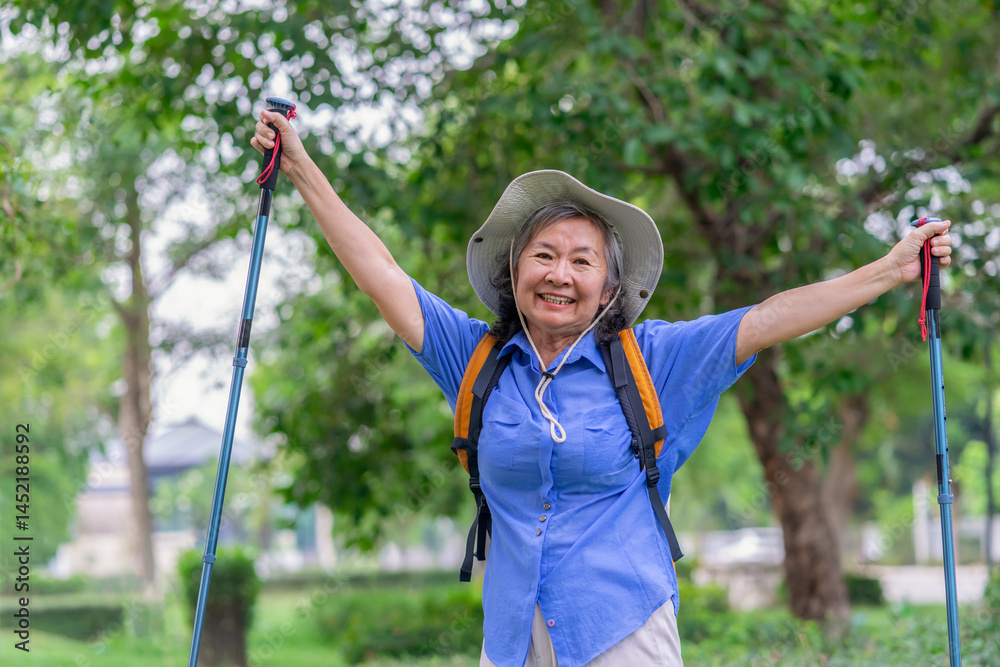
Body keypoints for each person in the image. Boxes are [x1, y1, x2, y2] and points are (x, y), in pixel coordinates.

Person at [252, 109, 952, 667]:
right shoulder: (474, 358)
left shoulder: (655, 359)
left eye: (582, 261)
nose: (560, 274)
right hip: (512, 638)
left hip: (624, 630)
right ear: (513, 273)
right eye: (543, 255)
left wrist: (891, 271)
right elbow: (380, 273)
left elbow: (769, 318)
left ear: (610, 287)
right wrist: (301, 167)